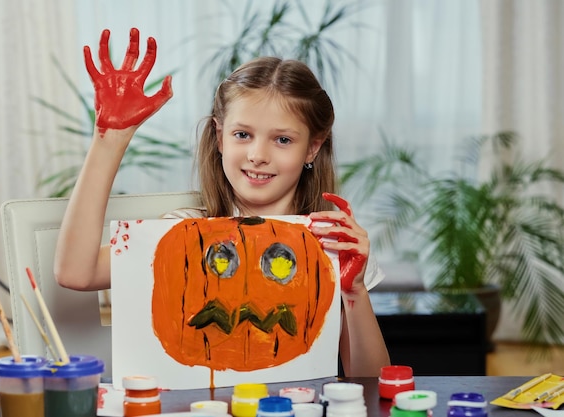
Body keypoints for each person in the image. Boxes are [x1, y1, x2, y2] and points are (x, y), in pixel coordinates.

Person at [54, 27, 390, 377]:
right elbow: (76, 272)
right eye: (242, 135)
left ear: (313, 147)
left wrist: (355, 291)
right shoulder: (180, 230)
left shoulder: (335, 242)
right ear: (219, 137)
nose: (258, 155)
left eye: (283, 140)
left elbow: (371, 382)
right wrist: (110, 139)